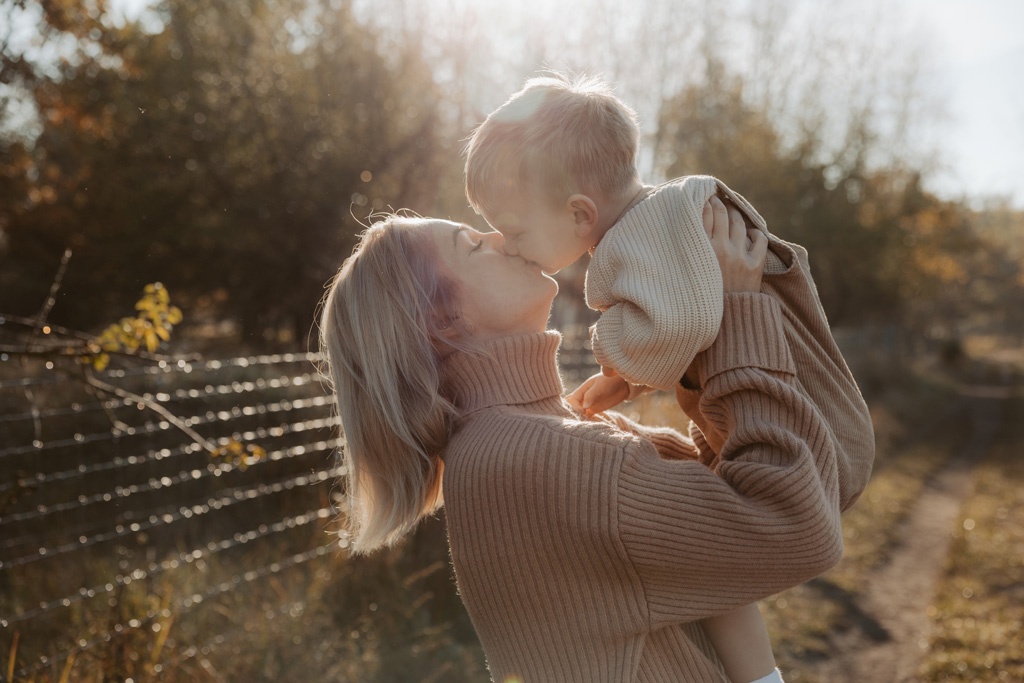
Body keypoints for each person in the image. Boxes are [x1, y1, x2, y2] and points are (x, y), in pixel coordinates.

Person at [318, 203, 872, 682]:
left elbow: (722, 506)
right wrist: (740, 316)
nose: (499, 236)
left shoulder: (547, 430)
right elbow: (794, 525)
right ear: (438, 318)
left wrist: (695, 370)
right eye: (471, 243)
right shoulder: (528, 457)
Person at [463, 74, 876, 682]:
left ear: (581, 213)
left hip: (816, 439)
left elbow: (679, 323)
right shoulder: (666, 225)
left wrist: (612, 354)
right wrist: (627, 382)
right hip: (813, 419)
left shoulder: (643, 239)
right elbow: (685, 325)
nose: (509, 245)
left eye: (517, 231)